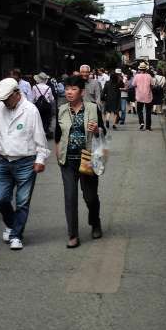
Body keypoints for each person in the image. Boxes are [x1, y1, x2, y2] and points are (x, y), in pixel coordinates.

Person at [0, 78, 48, 251]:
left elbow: (39, 136)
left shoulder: (31, 110)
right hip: (3, 160)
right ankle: (12, 224)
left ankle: (16, 235)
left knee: (22, 202)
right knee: (1, 199)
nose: (4, 103)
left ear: (17, 94)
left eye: (7, 99)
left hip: (25, 161)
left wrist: (40, 159)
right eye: (2, 100)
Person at [54, 75, 105, 248]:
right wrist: (58, 156)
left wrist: (97, 129)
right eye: (67, 88)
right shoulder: (61, 109)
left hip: (87, 158)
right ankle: (73, 235)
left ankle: (95, 222)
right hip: (68, 160)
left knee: (90, 197)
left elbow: (103, 133)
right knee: (70, 197)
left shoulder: (92, 108)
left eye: (73, 89)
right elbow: (57, 135)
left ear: (82, 92)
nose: (69, 92)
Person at [31, 72, 55, 137]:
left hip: (38, 106)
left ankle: (38, 134)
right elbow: (51, 99)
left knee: (38, 120)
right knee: (46, 120)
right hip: (47, 107)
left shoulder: (34, 87)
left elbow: (32, 99)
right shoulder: (48, 88)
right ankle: (45, 132)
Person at [134, 62, 155, 131]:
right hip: (148, 96)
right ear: (146, 69)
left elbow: (134, 85)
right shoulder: (149, 76)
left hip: (139, 96)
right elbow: (152, 85)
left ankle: (141, 122)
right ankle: (148, 127)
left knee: (139, 110)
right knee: (148, 112)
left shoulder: (136, 76)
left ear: (139, 69)